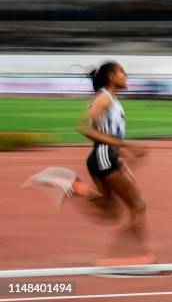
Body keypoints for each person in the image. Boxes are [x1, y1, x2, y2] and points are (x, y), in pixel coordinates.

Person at [23, 61, 154, 265]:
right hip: (103, 157)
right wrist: (125, 145)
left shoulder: (109, 99)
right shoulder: (104, 98)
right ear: (111, 76)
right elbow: (84, 127)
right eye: (123, 73)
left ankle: (72, 185)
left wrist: (120, 152)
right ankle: (140, 256)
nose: (126, 77)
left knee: (110, 211)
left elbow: (104, 130)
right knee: (138, 205)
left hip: (105, 157)